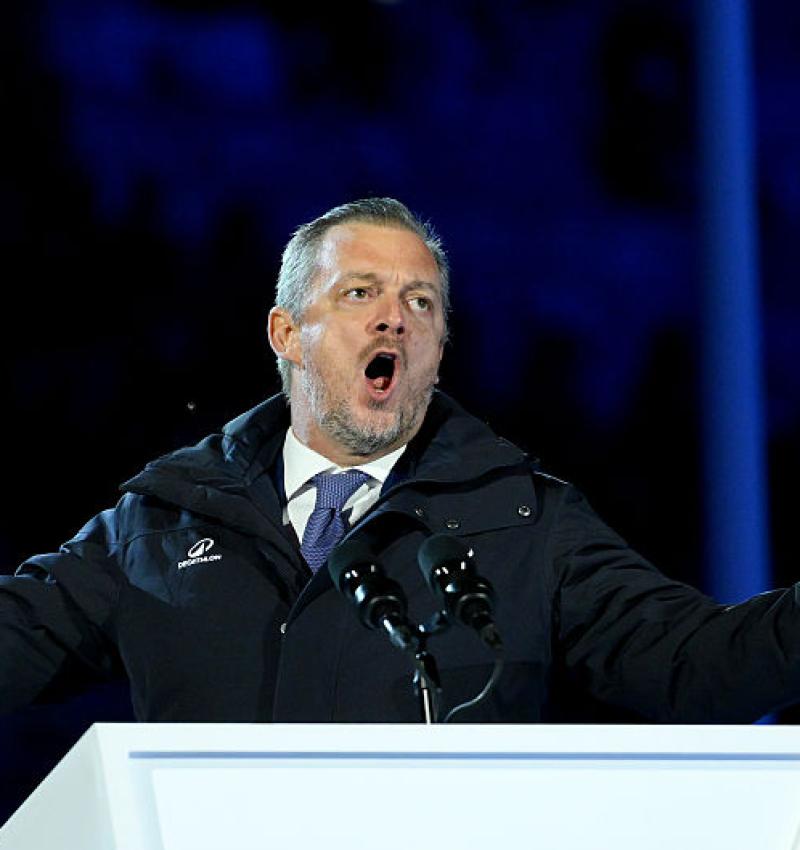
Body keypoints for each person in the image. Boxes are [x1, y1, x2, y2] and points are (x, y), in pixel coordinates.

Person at [1, 196, 799, 725]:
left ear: (440, 350)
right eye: (359, 294)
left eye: (420, 303)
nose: (394, 320)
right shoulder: (164, 521)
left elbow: (695, 662)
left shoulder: (522, 519)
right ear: (286, 334)